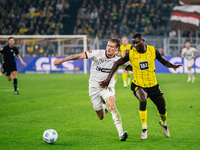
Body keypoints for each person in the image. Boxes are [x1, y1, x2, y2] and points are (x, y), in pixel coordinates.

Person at [99, 33, 182, 140]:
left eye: (137, 42)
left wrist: (173, 65)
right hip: (138, 84)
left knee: (162, 107)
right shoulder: (131, 53)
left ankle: (164, 124)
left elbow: (164, 62)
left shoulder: (153, 51)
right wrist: (108, 79)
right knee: (143, 100)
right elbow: (117, 64)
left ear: (143, 41)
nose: (135, 45)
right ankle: (144, 128)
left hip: (153, 85)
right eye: (133, 43)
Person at [54, 38, 130, 141]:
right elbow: (78, 56)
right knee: (101, 117)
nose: (109, 48)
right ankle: (103, 105)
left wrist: (132, 57)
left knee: (112, 105)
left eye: (112, 47)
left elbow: (134, 68)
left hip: (107, 88)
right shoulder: (97, 53)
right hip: (93, 88)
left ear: (117, 48)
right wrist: (61, 60)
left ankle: (121, 133)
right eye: (108, 45)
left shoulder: (118, 61)